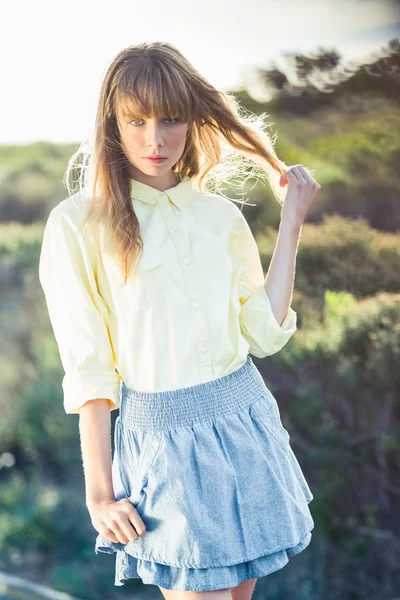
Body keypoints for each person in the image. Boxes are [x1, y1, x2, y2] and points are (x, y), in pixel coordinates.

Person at [38, 41, 320, 599]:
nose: (155, 139)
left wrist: (292, 224)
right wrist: (99, 492)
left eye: (171, 118)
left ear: (193, 119)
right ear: (110, 125)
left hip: (244, 420)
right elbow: (89, 371)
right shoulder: (77, 225)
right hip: (162, 442)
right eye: (136, 120)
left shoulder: (220, 215)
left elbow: (263, 333)